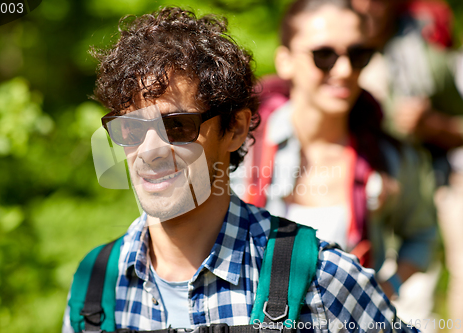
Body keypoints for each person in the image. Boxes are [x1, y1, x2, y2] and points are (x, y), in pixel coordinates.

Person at [62, 7, 419, 333]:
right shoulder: (93, 285)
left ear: (234, 129)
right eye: (131, 130)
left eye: (177, 127)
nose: (150, 151)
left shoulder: (323, 278)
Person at [231, 0, 437, 303]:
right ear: (285, 61)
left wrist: (384, 291)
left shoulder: (388, 158)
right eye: (324, 55)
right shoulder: (241, 147)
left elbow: (422, 236)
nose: (344, 70)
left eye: (358, 55)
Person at [352, 0, 463, 323]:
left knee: (423, 297)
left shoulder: (426, 53)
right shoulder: (328, 50)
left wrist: (430, 125)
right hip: (361, 191)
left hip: (433, 182)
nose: (367, 6)